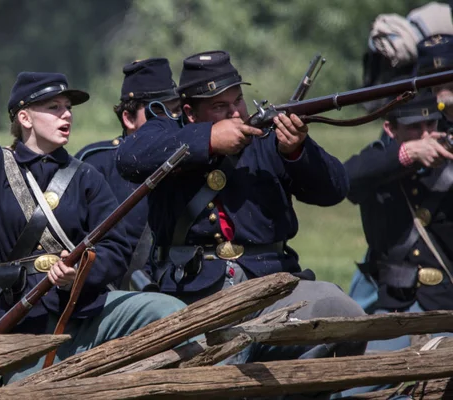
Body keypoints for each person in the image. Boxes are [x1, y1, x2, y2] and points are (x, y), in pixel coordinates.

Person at [0, 29, 187, 384]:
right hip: (23, 322)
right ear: (24, 118)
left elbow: (116, 248)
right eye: (54, 107)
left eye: (68, 108)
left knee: (167, 310)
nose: (67, 116)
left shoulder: (86, 176)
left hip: (85, 313)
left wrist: (80, 273)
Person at [116, 50, 366, 398]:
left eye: (237, 101)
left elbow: (335, 188)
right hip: (197, 292)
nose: (236, 113)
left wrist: (297, 150)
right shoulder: (171, 133)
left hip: (274, 283)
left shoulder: (268, 138)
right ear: (190, 112)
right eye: (220, 107)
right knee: (222, 373)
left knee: (344, 313)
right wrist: (208, 139)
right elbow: (130, 157)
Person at [339, 90, 453, 396]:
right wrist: (406, 156)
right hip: (396, 308)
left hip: (447, 306)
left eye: (432, 127)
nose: (427, 136)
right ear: (390, 129)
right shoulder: (381, 162)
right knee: (351, 391)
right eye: (415, 128)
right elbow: (345, 180)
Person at [349, 3, 453, 314]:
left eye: (448, 85)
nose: (443, 98)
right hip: (394, 295)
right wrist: (409, 153)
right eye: (434, 86)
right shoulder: (400, 132)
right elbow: (350, 179)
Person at [75, 58, 181, 288]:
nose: (171, 120)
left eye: (175, 110)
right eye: (158, 110)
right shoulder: (96, 163)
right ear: (129, 118)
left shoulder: (190, 159)